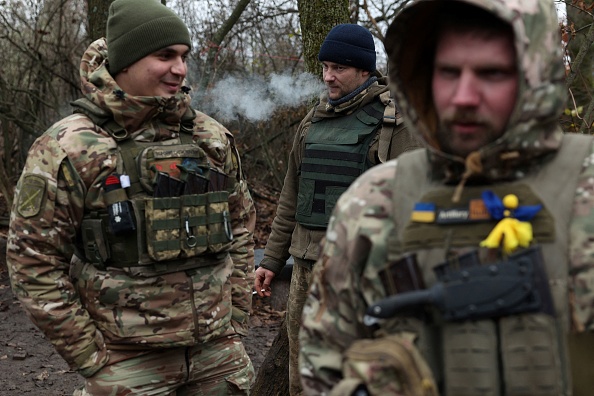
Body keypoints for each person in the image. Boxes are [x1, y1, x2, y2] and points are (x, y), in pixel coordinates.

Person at [299, 0, 594, 395]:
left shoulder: (586, 189)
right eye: (448, 72)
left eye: (492, 73)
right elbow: (323, 365)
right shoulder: (372, 203)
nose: (464, 96)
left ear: (537, 75)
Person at [6, 0, 256, 394]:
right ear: (125, 62)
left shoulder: (209, 137)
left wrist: (237, 318)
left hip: (217, 355)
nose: (180, 68)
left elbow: (241, 228)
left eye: (184, 56)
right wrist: (90, 356)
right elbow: (32, 260)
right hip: (125, 360)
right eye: (165, 55)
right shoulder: (70, 145)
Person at [254, 23, 421, 396]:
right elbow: (291, 197)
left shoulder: (396, 123)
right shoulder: (312, 123)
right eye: (325, 67)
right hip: (305, 268)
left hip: (363, 271)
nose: (328, 77)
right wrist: (270, 260)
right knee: (303, 375)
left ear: (364, 70)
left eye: (338, 68)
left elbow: (413, 204)